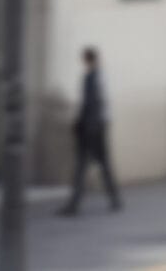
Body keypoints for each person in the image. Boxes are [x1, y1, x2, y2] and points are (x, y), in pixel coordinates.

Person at [58, 46, 120, 215]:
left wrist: (80, 124)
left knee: (81, 165)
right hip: (100, 125)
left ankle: (73, 205)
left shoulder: (91, 78)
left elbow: (89, 104)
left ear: (86, 60)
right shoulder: (100, 76)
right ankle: (115, 199)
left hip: (91, 127)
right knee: (103, 164)